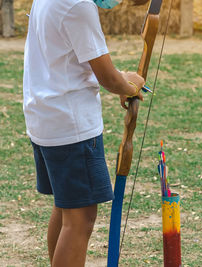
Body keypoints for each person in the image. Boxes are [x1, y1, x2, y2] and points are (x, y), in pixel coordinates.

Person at [23, 0, 149, 266]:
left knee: (67, 208)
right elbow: (108, 78)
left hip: (47, 117)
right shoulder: (79, 5)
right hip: (71, 126)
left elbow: (70, 59)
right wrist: (129, 86)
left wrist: (122, 80)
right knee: (80, 220)